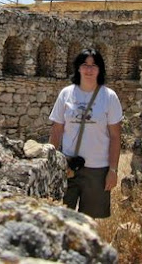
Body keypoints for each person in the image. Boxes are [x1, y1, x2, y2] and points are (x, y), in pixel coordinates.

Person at [48, 47, 123, 218]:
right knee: (61, 217)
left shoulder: (109, 97)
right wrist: (51, 161)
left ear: (100, 69)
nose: (89, 70)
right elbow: (57, 129)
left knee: (89, 221)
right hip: (68, 166)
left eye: (94, 65)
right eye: (85, 65)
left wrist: (113, 170)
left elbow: (115, 136)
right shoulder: (66, 94)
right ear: (78, 68)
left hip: (97, 170)